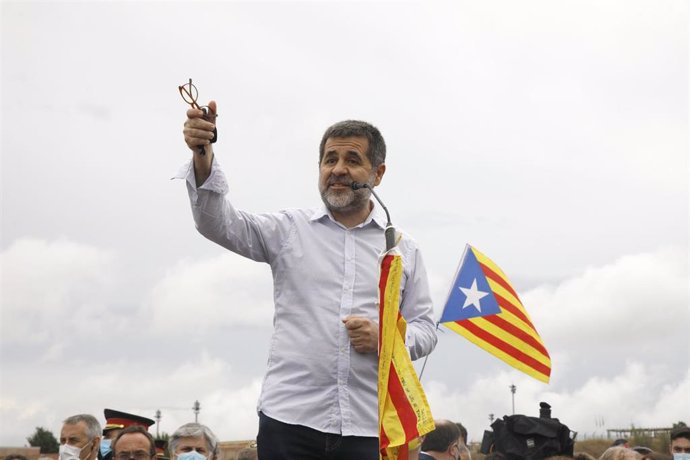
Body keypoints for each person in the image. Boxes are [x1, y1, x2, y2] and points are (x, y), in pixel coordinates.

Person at [179, 103, 438, 460]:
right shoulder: (289, 229)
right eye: (329, 159)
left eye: (352, 160)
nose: (338, 170)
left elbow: (426, 328)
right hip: (289, 420)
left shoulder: (402, 249)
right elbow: (217, 224)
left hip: (369, 425)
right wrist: (203, 156)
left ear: (377, 173)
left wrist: (387, 338)